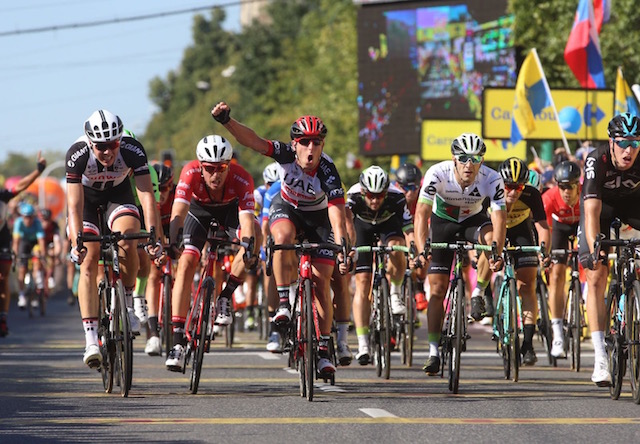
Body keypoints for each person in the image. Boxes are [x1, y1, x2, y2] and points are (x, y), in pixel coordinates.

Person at [211, 101, 351, 376]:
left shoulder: (328, 171)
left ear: (322, 145)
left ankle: (323, 350)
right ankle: (284, 301)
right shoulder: (285, 154)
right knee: (283, 236)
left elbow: (336, 213)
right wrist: (227, 121)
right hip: (288, 208)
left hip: (319, 218)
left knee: (321, 280)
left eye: (317, 143)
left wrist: (342, 244)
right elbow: (253, 141)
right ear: (294, 144)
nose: (310, 149)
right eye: (305, 142)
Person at [66, 109, 162, 369]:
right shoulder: (77, 154)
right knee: (89, 258)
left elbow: (146, 197)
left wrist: (154, 235)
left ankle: (127, 305)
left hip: (118, 195)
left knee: (129, 238)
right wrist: (77, 242)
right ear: (90, 143)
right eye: (101, 146)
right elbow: (74, 206)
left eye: (113, 144)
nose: (108, 152)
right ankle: (90, 340)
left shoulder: (132, 149)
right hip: (87, 201)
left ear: (120, 140)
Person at [414, 133, 506, 375]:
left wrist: (497, 252)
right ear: (454, 159)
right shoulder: (437, 173)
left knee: (490, 242)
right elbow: (422, 213)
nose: (469, 164)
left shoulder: (492, 178)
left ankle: (478, 292)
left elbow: (499, 218)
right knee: (437, 290)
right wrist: (422, 249)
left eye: (475, 159)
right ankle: (433, 351)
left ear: (481, 160)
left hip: (473, 221)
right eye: (463, 158)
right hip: (443, 223)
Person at [165, 134, 259, 371]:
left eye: (221, 168)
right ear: (200, 166)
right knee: (186, 261)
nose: (215, 174)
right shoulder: (190, 172)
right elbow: (179, 211)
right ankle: (177, 341)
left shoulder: (242, 178)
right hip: (199, 212)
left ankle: (226, 296)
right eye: (209, 168)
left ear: (229, 165)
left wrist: (248, 247)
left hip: (230, 211)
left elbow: (247, 222)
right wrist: (174, 240)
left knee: (255, 236)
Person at [578, 112, 640, 387]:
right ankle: (600, 356)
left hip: (632, 205)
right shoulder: (597, 159)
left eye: (635, 143)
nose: (629, 150)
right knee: (596, 275)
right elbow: (591, 211)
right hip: (601, 209)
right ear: (611, 142)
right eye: (623, 142)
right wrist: (595, 249)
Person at [346, 165, 414, 365]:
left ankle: (395, 293)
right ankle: (363, 344)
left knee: (396, 247)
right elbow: (347, 227)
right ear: (363, 192)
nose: (375, 201)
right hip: (362, 228)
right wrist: (349, 249)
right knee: (363, 282)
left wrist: (414, 250)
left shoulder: (397, 197)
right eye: (370, 196)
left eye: (380, 196)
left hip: (388, 225)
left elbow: (408, 229)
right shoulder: (353, 197)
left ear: (386, 192)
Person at [498, 157, 551, 366]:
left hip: (520, 230)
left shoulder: (531, 194)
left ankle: (528, 344)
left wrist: (544, 252)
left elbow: (543, 227)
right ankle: (482, 294)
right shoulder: (490, 190)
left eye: (518, 187)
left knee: (527, 284)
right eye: (508, 186)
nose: (513, 192)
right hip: (496, 228)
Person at [0, 153, 47, 336]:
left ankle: (3, 319)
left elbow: (20, 185)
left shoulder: (3, 196)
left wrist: (38, 171)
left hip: (2, 240)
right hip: (16, 241)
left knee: (3, 278)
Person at [542, 161, 581, 359]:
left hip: (581, 224)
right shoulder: (549, 197)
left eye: (571, 186)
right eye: (562, 186)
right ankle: (557, 333)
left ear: (578, 185)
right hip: (559, 228)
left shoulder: (586, 193)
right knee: (556, 275)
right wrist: (545, 253)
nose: (566, 191)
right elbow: (543, 228)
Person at [145, 163, 175, 356]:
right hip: (154, 233)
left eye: (166, 188)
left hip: (173, 230)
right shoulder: (149, 197)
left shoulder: (176, 196)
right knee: (153, 275)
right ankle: (153, 332)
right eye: (159, 188)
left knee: (183, 267)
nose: (162, 193)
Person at [394, 163, 427, 312]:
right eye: (405, 188)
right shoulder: (393, 196)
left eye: (414, 188)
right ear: (397, 185)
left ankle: (419, 286)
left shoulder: (423, 197)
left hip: (416, 231)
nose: (410, 193)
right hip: (398, 231)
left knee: (425, 250)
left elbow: (427, 224)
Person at [12, 202, 47, 310]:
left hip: (35, 243)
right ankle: (21, 295)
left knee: (37, 262)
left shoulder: (37, 223)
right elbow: (16, 242)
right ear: (22, 217)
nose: (28, 220)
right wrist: (15, 256)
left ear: (33, 217)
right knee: (22, 269)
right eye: (25, 217)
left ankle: (37, 290)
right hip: (24, 242)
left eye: (30, 217)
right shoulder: (18, 223)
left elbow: (41, 241)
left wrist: (42, 255)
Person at [39, 208, 63, 291]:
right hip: (38, 243)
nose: (45, 223)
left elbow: (57, 241)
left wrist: (57, 255)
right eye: (43, 220)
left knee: (52, 253)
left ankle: (51, 275)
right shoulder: (37, 225)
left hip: (50, 243)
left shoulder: (54, 226)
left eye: (47, 220)